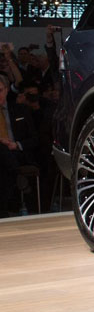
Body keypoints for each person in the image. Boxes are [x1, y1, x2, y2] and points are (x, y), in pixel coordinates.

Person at [0, 73, 39, 217]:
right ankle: (17, 176)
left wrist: (16, 145)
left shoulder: (20, 109)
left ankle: (4, 209)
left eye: (0, 90)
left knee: (4, 161)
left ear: (6, 90)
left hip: (17, 152)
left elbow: (34, 138)